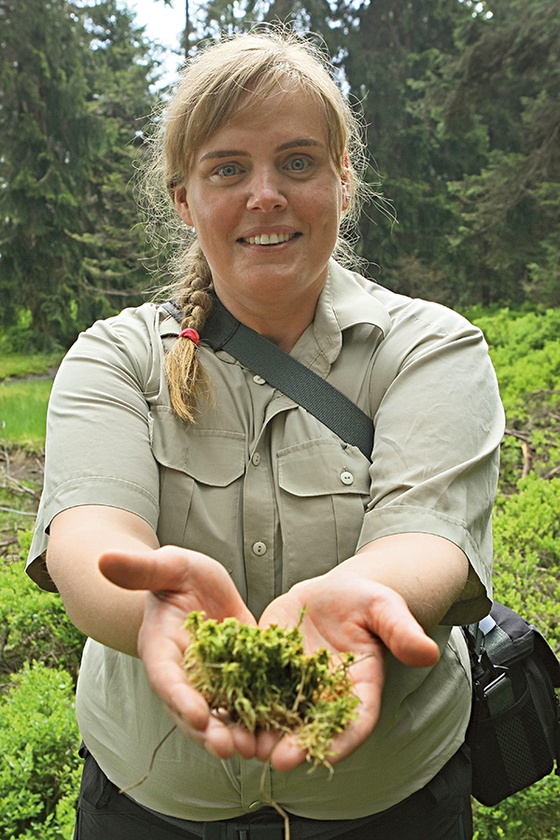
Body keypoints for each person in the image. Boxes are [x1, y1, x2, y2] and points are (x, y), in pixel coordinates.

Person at [27, 28, 505, 840]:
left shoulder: (431, 348)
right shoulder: (117, 357)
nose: (265, 195)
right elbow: (89, 535)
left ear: (342, 183)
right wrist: (149, 612)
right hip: (149, 812)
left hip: (389, 813)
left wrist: (358, 597)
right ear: (185, 199)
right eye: (227, 169)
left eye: (297, 162)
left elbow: (426, 536)